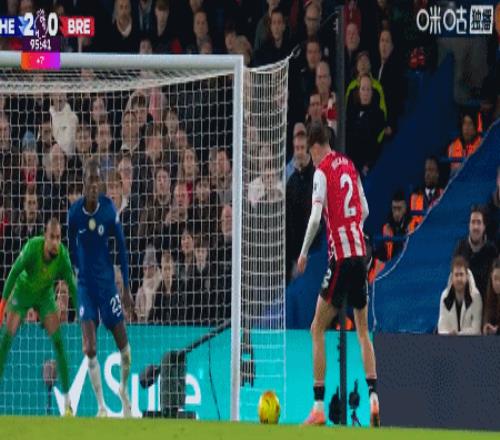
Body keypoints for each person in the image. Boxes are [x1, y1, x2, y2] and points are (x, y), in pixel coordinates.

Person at [297, 121, 379, 427]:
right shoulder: (349, 165)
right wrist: (352, 227)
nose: (310, 159)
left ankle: (318, 407)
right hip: (360, 256)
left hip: (341, 258)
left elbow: (315, 217)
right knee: (362, 331)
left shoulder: (322, 171)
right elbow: (365, 210)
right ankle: (374, 397)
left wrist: (304, 252)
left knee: (316, 328)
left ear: (315, 147)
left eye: (309, 152)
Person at [68, 158, 134, 417]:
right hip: (86, 288)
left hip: (108, 288)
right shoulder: (74, 213)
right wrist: (77, 273)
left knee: (125, 351)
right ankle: (101, 407)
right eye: (90, 179)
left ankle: (123, 389)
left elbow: (122, 249)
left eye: (98, 179)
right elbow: (71, 247)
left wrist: (126, 287)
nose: (95, 184)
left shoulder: (109, 210)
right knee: (90, 348)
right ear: (84, 183)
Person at [0, 218, 76, 416]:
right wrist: (2, 305)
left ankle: (68, 402)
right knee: (6, 339)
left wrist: (81, 315)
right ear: (45, 237)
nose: (55, 242)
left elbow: (73, 286)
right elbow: (14, 272)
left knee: (58, 342)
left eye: (58, 238)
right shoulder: (32, 248)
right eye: (52, 237)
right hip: (23, 292)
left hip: (44, 297)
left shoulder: (63, 256)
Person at [454, 205, 498, 300]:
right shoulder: (460, 249)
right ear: (469, 225)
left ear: (484, 226)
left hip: (487, 302)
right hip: (466, 302)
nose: (475, 227)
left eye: (479, 222)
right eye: (473, 222)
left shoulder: (492, 251)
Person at [437, 256, 482, 336]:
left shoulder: (476, 296)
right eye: (456, 275)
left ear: (467, 276)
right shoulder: (445, 296)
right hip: (449, 341)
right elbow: (441, 328)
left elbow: (476, 329)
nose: (459, 279)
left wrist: (459, 334)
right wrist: (449, 334)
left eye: (461, 275)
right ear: (452, 277)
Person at [483, 257, 500, 335]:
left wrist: (497, 330)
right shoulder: (489, 295)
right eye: (495, 278)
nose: (498, 283)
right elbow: (487, 319)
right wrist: (486, 326)